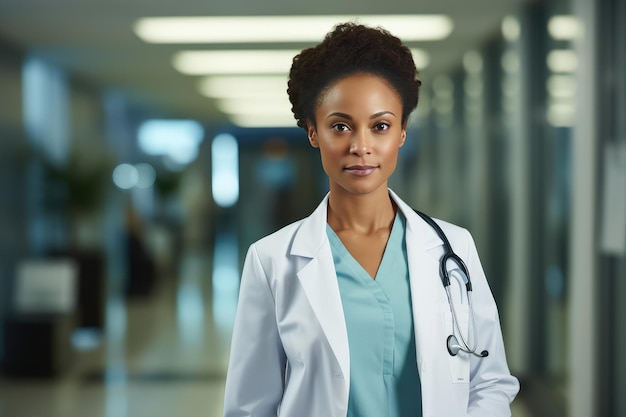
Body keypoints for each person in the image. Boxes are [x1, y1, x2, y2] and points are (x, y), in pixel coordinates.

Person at [223, 22, 519, 417]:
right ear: (313, 132)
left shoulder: (454, 247)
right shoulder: (272, 261)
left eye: (380, 126)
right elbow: (250, 405)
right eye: (340, 126)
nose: (361, 146)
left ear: (401, 132)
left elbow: (490, 381)